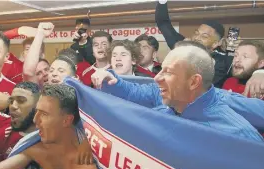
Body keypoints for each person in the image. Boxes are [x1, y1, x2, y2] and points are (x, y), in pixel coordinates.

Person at [91, 41, 264, 142]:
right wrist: (111, 80)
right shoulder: (162, 99)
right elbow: (133, 93)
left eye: (169, 72)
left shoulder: (237, 135)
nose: (157, 78)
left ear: (194, 81)